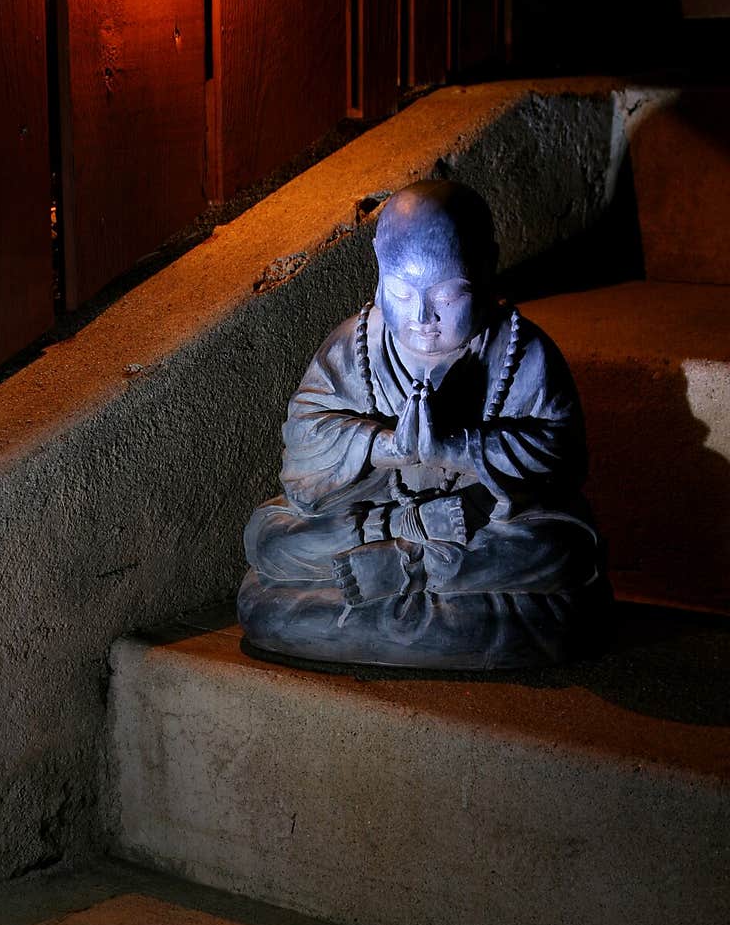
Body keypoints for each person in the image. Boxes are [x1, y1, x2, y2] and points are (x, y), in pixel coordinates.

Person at [238, 180, 610, 668]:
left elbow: (558, 455)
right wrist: (381, 447)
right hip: (374, 519)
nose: (422, 317)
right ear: (376, 266)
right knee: (268, 539)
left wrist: (456, 448)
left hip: (474, 528)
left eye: (448, 295)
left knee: (565, 548)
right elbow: (306, 439)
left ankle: (408, 569)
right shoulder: (356, 346)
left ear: (487, 265)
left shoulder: (521, 350)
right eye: (401, 291)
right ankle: (411, 560)